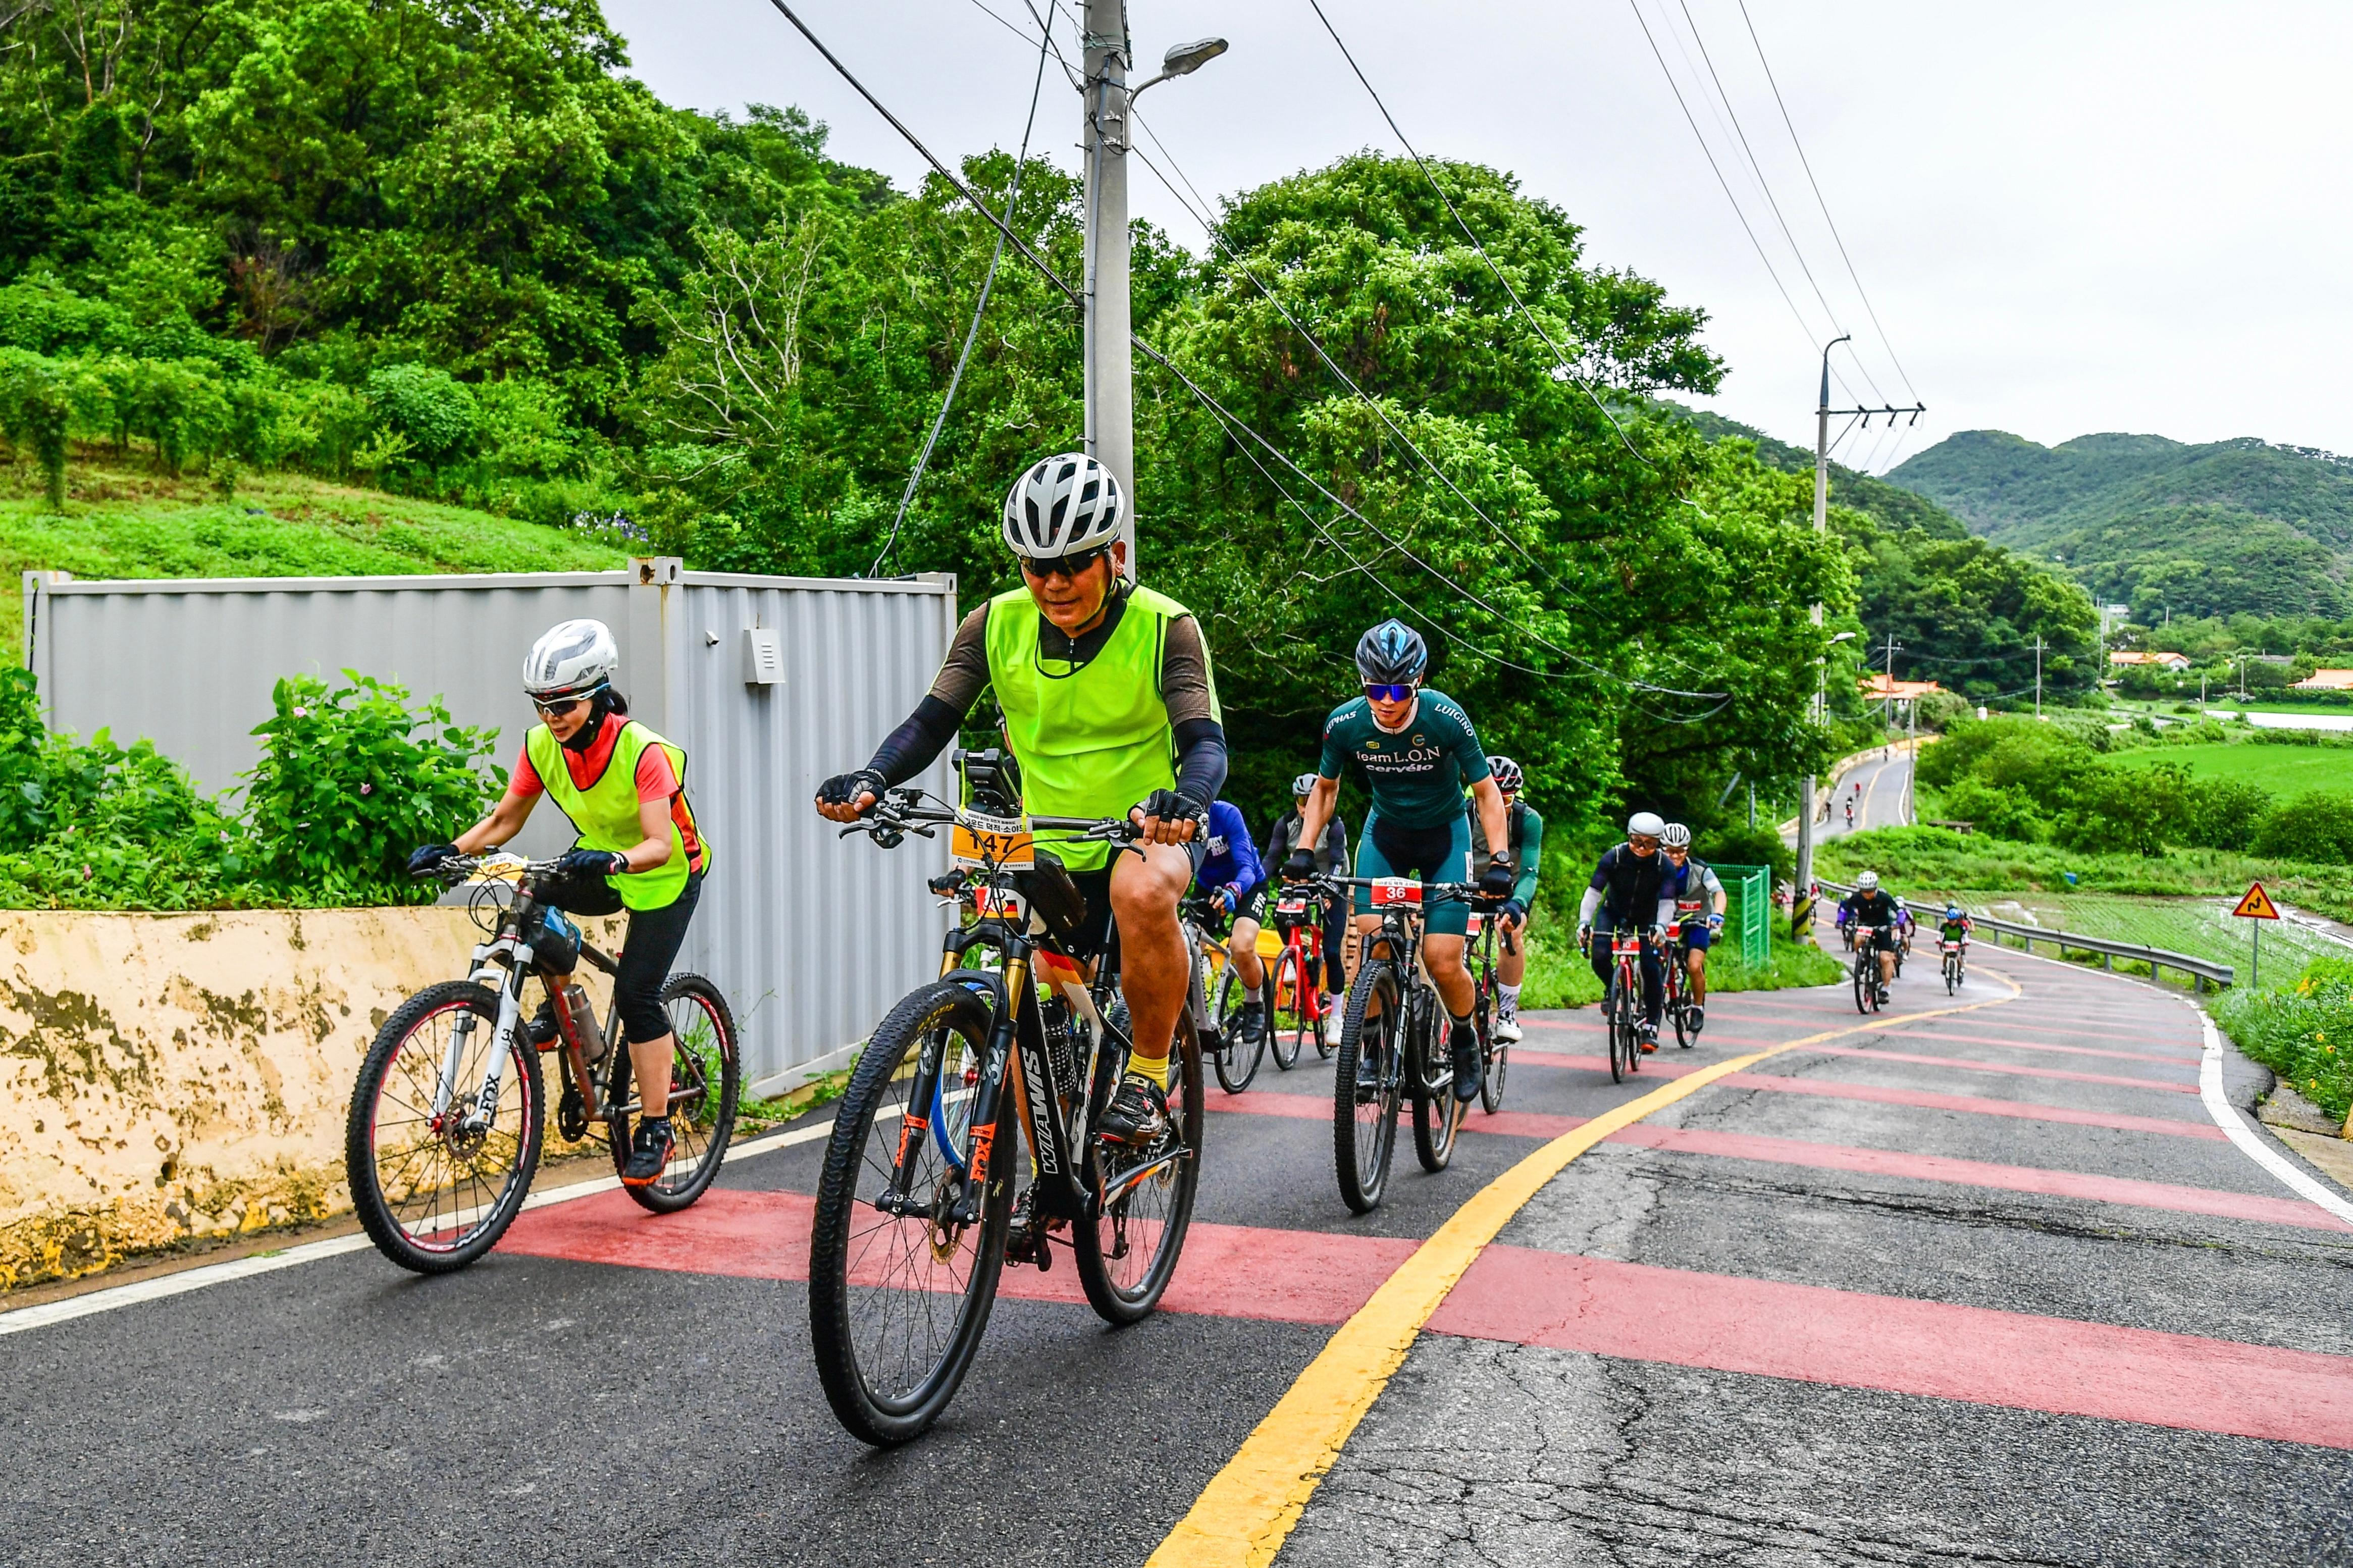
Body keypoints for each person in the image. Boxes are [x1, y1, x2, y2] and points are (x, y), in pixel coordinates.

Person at [814, 453, 1224, 1148]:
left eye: (1074, 563)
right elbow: (930, 721)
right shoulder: (992, 623)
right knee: (1020, 994)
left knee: (1143, 885)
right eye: (1037, 566)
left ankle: (1149, 1078)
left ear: (1115, 556)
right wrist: (872, 777)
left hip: (1143, 827)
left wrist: (1184, 799)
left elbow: (1205, 741)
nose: (1054, 582)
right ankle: (1036, 1177)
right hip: (1043, 837)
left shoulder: (1167, 626)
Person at [408, 619, 710, 1187]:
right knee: (532, 887)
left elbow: (657, 842)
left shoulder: (643, 750)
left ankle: (654, 1127)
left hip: (665, 871)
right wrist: (450, 849)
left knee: (638, 993)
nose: (552, 717)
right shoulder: (542, 746)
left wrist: (616, 860)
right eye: (541, 705)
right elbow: (505, 819)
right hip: (602, 859)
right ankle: (558, 1000)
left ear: (597, 696)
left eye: (564, 704)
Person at [1286, 620, 1513, 1103]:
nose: (1386, 701)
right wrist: (1306, 848)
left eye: (1398, 689)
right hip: (1385, 834)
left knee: (1442, 958)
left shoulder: (1445, 717)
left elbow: (1486, 792)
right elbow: (1326, 789)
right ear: (1361, 683)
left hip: (1444, 837)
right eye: (1375, 688)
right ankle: (1370, 1050)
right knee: (1373, 940)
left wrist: (1498, 859)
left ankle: (1465, 1038)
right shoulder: (1345, 724)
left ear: (1419, 682)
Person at [1577, 812, 1682, 1049]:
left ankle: (1652, 1025)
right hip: (1613, 910)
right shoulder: (1614, 857)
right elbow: (1594, 892)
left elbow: (1667, 901)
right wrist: (1584, 921)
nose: (1642, 848)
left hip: (1648, 916)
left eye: (1650, 844)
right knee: (1600, 955)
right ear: (1628, 838)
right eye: (1636, 841)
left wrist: (1662, 927)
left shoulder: (1663, 865)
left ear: (1658, 844)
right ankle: (1613, 987)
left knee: (1649, 963)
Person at [1263, 772, 1351, 1043]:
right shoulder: (1286, 823)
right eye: (1301, 800)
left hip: (1333, 881)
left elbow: (1337, 861)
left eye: (1310, 800)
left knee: (1333, 950)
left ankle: (1336, 1017)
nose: (1305, 806)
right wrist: (1258, 883)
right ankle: (1294, 959)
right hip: (1302, 880)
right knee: (1281, 911)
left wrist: (1332, 890)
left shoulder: (1334, 825)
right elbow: (1271, 857)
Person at [1467, 755, 1543, 1044]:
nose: (1500, 803)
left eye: (1507, 797)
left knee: (1510, 932)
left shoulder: (1528, 820)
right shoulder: (1461, 813)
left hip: (1509, 887)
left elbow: (1530, 873)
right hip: (1470, 885)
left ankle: (1508, 1012)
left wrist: (1518, 903)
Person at [1195, 798, 1270, 1046]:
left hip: (1247, 885)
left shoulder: (1227, 814)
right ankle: (1193, 1014)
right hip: (1206, 887)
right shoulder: (1181, 818)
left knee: (1241, 946)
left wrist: (1235, 890)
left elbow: (1246, 867)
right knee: (1185, 945)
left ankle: (1253, 1003)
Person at [1659, 822, 1724, 1029]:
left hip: (1698, 919)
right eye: (1669, 851)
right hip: (1667, 919)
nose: (1674, 856)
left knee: (1695, 965)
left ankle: (1698, 1007)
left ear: (1687, 850)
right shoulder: (1655, 868)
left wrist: (1718, 915)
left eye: (1680, 851)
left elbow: (1719, 893)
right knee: (1654, 960)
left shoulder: (1700, 869)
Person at [1846, 870, 1903, 1000]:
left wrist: (1898, 922)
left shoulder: (1884, 897)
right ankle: (1862, 961)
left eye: (1870, 891)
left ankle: (1886, 988)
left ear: (1875, 888)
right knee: (1858, 939)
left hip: (1882, 928)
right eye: (1864, 891)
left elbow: (1899, 911)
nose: (1867, 895)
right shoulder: (1857, 898)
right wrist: (1841, 920)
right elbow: (1845, 908)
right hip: (1865, 926)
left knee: (1885, 958)